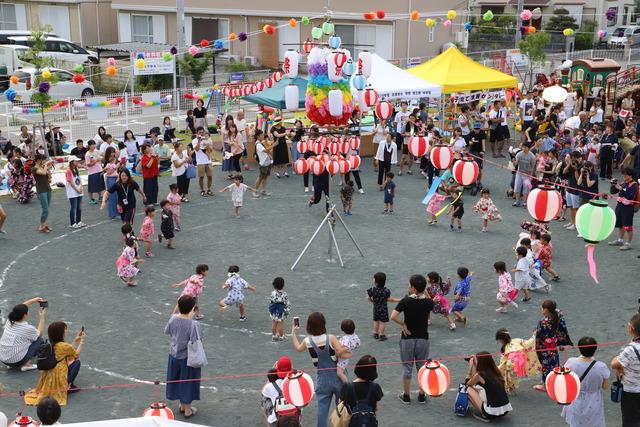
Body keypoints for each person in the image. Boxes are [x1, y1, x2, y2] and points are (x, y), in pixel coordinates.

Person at [291, 312, 348, 427]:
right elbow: (343, 353)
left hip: (322, 379)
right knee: (342, 408)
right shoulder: (331, 338)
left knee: (322, 411)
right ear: (323, 324)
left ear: (309, 326)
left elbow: (298, 348)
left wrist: (293, 332)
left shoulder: (308, 341)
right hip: (338, 377)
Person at [390, 274, 434, 404]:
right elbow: (431, 301)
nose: (408, 287)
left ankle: (406, 395)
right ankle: (421, 394)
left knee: (407, 367)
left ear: (413, 288)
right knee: (422, 367)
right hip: (423, 339)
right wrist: (424, 289)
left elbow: (393, 316)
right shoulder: (428, 302)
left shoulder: (405, 301)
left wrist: (403, 324)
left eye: (410, 285)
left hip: (407, 338)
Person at [24, 321, 86, 406]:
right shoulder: (64, 346)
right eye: (65, 330)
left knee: (70, 361)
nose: (66, 331)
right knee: (77, 363)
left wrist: (75, 340)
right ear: (61, 333)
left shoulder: (50, 345)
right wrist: (81, 342)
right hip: (59, 379)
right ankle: (68, 385)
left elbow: (67, 351)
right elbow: (75, 355)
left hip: (48, 378)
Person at [165, 295, 202, 419]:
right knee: (188, 381)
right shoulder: (193, 324)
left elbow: (167, 331)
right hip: (187, 358)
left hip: (174, 355)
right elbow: (196, 340)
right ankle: (187, 410)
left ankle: (181, 405)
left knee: (176, 379)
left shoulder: (173, 318)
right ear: (193, 309)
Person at [561, 336, 610, 427]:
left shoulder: (571, 362)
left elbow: (565, 380)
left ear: (579, 348)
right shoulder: (601, 366)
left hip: (576, 398)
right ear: (595, 349)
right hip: (594, 400)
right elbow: (605, 386)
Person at [534, 300, 573, 391]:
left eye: (542, 308)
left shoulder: (543, 322)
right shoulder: (558, 315)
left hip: (544, 347)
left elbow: (539, 335)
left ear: (546, 310)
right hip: (553, 344)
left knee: (546, 364)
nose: (541, 309)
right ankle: (553, 380)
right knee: (554, 361)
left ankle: (546, 385)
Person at [0, 298, 47, 371]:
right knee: (39, 340)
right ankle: (27, 364)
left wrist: (33, 300)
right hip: (16, 361)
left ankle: (12, 362)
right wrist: (42, 317)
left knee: (27, 339)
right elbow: (40, 333)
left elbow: (20, 307)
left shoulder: (9, 321)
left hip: (3, 358)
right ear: (25, 315)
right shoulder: (27, 328)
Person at [465, 352, 513, 422]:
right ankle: (486, 408)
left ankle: (484, 414)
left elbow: (468, 383)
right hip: (504, 411)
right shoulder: (496, 372)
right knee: (483, 389)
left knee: (467, 389)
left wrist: (470, 367)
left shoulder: (480, 375)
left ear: (480, 362)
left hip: (490, 413)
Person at [611, 312, 640, 427]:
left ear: (631, 328)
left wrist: (618, 366)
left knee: (631, 420)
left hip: (632, 391)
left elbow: (614, 363)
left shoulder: (631, 349)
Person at [338, 355, 383, 426]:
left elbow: (340, 404)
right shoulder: (375, 387)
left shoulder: (347, 386)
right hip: (369, 422)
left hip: (351, 422)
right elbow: (377, 408)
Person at [495, 328, 541, 394]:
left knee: (508, 375)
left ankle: (511, 389)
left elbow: (503, 361)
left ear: (501, 340)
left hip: (511, 363)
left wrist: (498, 369)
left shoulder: (504, 348)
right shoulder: (517, 340)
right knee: (512, 374)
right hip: (521, 360)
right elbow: (528, 344)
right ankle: (511, 388)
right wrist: (534, 335)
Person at [609, 167, 638, 251]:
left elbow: (630, 196)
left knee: (628, 226)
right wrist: (613, 184)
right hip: (620, 205)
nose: (623, 176)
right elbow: (612, 192)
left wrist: (621, 189)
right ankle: (620, 240)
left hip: (628, 208)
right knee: (620, 224)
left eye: (625, 175)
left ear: (630, 175)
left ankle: (628, 243)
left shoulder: (634, 185)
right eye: (623, 174)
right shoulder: (623, 182)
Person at [367, 272, 401, 340]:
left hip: (376, 308)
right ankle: (381, 334)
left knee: (376, 321)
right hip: (384, 309)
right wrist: (399, 300)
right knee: (382, 322)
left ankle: (375, 333)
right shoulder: (386, 291)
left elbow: (369, 298)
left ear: (376, 282)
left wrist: (373, 301)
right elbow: (390, 299)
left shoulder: (372, 290)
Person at [33, 154, 53, 233]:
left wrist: (49, 169)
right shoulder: (34, 168)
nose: (44, 161)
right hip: (41, 191)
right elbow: (43, 173)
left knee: (47, 208)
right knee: (45, 209)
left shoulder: (43, 167)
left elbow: (49, 178)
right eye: (43, 160)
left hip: (48, 189)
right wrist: (45, 166)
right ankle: (41, 226)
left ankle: (44, 224)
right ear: (38, 160)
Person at [513, 142, 536, 207]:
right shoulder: (519, 154)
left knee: (526, 189)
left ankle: (525, 202)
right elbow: (516, 164)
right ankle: (517, 201)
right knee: (517, 187)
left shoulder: (532, 156)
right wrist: (514, 162)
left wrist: (531, 176)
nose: (524, 148)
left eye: (525, 147)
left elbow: (533, 167)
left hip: (527, 175)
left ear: (528, 148)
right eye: (523, 147)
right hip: (519, 173)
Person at [193, 127, 214, 197]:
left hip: (208, 161)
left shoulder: (208, 139)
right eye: (200, 132)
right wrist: (199, 141)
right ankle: (202, 190)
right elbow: (196, 149)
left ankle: (209, 189)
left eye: (202, 132)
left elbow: (210, 150)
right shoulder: (195, 140)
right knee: (201, 177)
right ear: (197, 133)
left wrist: (207, 145)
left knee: (210, 176)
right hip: (200, 162)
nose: (201, 133)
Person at [65, 156, 85, 228]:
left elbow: (79, 180)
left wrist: (81, 188)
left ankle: (78, 221)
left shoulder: (76, 170)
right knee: (73, 207)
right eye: (76, 161)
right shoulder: (68, 171)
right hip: (72, 192)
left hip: (79, 191)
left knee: (79, 207)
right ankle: (72, 223)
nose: (77, 162)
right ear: (72, 162)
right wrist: (77, 189)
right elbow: (70, 182)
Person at [268, 277, 290, 341]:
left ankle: (274, 336)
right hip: (281, 309)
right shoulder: (284, 294)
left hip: (273, 309)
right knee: (281, 323)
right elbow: (287, 303)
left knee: (274, 322)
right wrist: (287, 310)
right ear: (283, 285)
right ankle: (281, 336)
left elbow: (271, 300)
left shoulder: (273, 293)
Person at [254, 130, 274, 197]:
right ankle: (255, 191)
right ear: (258, 136)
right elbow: (266, 150)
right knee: (260, 177)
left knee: (265, 177)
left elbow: (266, 151)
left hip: (267, 162)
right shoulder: (258, 144)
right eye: (262, 135)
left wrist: (269, 156)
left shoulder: (261, 143)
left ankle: (263, 191)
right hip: (263, 163)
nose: (263, 136)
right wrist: (274, 145)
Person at [103, 149, 119, 220]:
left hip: (117, 178)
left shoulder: (117, 160)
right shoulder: (107, 161)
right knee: (112, 196)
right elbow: (108, 172)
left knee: (117, 196)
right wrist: (115, 167)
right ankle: (112, 214)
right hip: (111, 179)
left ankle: (117, 212)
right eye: (111, 152)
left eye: (113, 152)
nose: (112, 154)